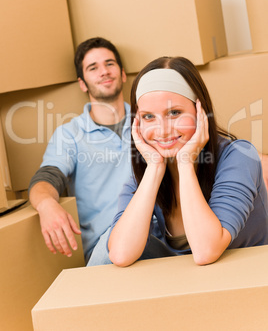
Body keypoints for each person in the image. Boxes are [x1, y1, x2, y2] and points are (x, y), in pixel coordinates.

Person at [107, 56, 268, 267]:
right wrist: (155, 169)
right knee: (108, 243)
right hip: (195, 284)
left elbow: (205, 251)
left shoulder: (239, 155)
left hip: (247, 278)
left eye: (174, 113)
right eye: (148, 117)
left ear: (199, 112)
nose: (162, 130)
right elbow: (120, 254)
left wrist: (185, 164)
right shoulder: (149, 167)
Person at [29, 37, 131, 264]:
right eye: (93, 68)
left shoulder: (150, 121)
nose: (104, 71)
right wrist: (46, 205)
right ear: (83, 83)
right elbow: (46, 178)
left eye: (109, 63)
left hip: (159, 237)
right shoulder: (69, 135)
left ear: (123, 74)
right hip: (106, 249)